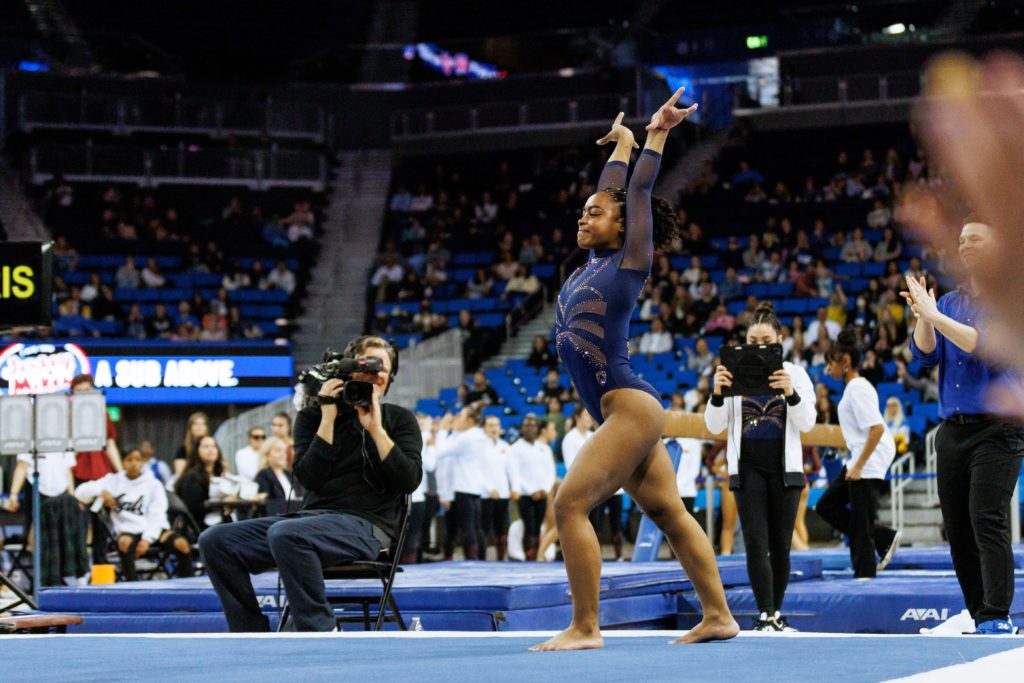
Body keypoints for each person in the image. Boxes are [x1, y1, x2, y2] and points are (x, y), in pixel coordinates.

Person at [535, 99, 737, 652]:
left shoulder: (630, 260)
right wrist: (622, 146)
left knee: (569, 505)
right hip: (626, 408)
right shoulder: (591, 266)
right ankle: (718, 615)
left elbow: (636, 194)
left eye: (595, 214)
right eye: (582, 211)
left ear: (624, 227)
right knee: (668, 512)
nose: (584, 216)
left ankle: (585, 626)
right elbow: (615, 192)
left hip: (628, 406)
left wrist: (655, 137)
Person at [198, 336, 422, 632]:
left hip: (370, 527)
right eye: (367, 365)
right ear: (348, 370)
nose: (375, 374)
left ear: (390, 378)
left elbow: (408, 481)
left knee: (287, 534)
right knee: (215, 541)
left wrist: (376, 429)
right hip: (311, 522)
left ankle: (321, 629)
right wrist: (327, 418)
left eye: (383, 369)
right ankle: (250, 632)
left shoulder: (400, 420)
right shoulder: (312, 417)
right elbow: (309, 479)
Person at [900, 217, 1024, 635]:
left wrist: (934, 316)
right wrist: (923, 314)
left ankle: (998, 615)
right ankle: (978, 613)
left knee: (986, 518)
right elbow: (924, 355)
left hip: (998, 429)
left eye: (975, 238)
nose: (965, 244)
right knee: (956, 526)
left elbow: (982, 346)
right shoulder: (949, 302)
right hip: (952, 431)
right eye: (961, 239)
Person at [706, 302, 817, 631]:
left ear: (780, 340)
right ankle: (766, 613)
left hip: (785, 469)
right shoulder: (732, 373)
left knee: (781, 545)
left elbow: (808, 423)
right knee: (755, 541)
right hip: (748, 467)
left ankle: (777, 612)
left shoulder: (796, 373)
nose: (759, 346)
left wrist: (791, 393)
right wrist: (716, 393)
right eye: (753, 341)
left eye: (766, 340)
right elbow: (714, 427)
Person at [815, 329, 902, 578]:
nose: (828, 369)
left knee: (861, 527)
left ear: (846, 361)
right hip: (860, 458)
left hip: (868, 461)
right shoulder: (852, 388)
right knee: (826, 506)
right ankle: (884, 536)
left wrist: (858, 465)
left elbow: (876, 429)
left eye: (831, 363)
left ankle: (865, 577)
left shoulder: (858, 388)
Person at [75, 447, 193, 581]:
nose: (134, 463)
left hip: (154, 529)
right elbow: (80, 492)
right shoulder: (113, 481)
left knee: (182, 544)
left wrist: (147, 539)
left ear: (142, 462)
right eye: (129, 460)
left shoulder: (154, 484)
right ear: (122, 462)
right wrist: (100, 491)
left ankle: (188, 584)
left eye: (138, 459)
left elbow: (158, 514)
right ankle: (133, 586)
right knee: (124, 543)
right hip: (128, 530)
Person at [6, 448, 88, 586]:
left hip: (62, 494)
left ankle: (70, 577)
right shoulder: (31, 436)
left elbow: (67, 468)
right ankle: (41, 580)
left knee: (65, 538)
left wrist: (72, 495)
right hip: (37, 491)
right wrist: (13, 494)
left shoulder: (63, 437)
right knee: (37, 539)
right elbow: (22, 466)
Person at [69, 373, 123, 566]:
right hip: (77, 475)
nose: (84, 394)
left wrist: (120, 472)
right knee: (79, 527)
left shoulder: (102, 413)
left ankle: (101, 571)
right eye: (79, 391)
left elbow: (110, 444)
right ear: (73, 394)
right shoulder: (66, 415)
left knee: (101, 528)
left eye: (87, 390)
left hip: (102, 476)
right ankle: (80, 571)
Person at [435, 405, 489, 560]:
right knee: (476, 527)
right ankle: (481, 560)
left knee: (468, 528)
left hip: (464, 487)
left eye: (462, 416)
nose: (458, 418)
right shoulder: (479, 435)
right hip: (475, 487)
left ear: (471, 420)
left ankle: (473, 561)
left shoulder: (467, 437)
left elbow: (441, 452)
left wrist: (443, 430)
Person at [510, 414, 556, 562]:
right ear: (521, 429)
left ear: (537, 429)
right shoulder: (515, 448)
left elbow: (551, 471)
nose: (530, 428)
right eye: (527, 425)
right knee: (528, 526)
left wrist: (545, 489)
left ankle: (536, 556)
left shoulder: (544, 448)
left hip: (542, 494)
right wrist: (530, 490)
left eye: (533, 425)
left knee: (537, 527)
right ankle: (528, 556)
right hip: (525, 495)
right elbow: (514, 472)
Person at [175, 435, 230, 530]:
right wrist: (221, 504)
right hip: (200, 525)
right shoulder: (191, 476)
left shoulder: (220, 473)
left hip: (222, 521)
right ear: (197, 451)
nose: (211, 450)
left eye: (213, 446)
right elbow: (193, 506)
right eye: (206, 447)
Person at [480, 415, 516, 560]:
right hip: (484, 495)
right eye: (490, 425)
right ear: (484, 428)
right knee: (484, 528)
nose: (494, 428)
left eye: (496, 425)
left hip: (503, 494)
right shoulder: (479, 447)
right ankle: (481, 560)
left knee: (501, 529)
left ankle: (501, 559)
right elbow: (476, 470)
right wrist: (489, 488)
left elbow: (512, 470)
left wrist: (515, 488)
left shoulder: (505, 447)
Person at [254, 436, 302, 514]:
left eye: (284, 451)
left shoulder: (289, 475)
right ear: (267, 454)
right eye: (278, 450)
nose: (283, 454)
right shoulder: (263, 475)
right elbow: (266, 504)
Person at [174, 412, 210, 477]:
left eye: (202, 424)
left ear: (207, 427)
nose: (199, 427)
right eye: (195, 424)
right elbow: (180, 474)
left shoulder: (213, 448)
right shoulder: (183, 450)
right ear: (190, 427)